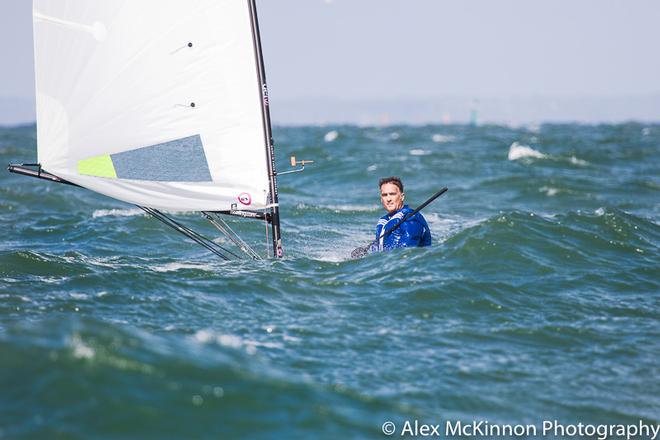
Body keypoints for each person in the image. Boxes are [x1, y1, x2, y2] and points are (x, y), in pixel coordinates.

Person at [373, 176, 431, 252]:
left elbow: (407, 252)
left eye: (392, 194)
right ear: (381, 199)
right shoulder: (383, 220)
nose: (388, 199)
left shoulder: (411, 218)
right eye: (385, 195)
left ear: (402, 196)